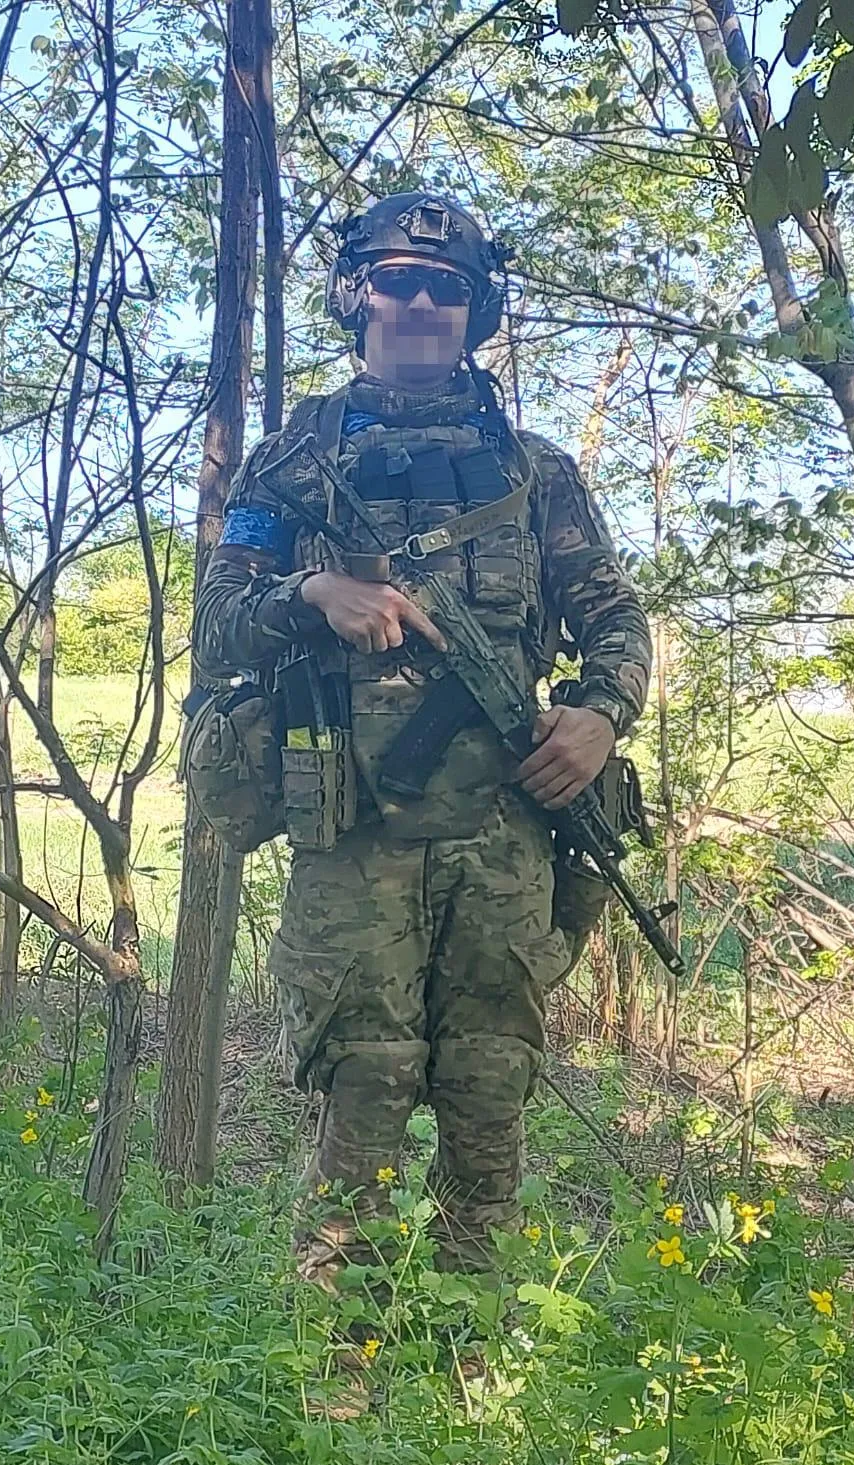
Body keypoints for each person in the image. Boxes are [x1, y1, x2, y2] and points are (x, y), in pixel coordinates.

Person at [194, 191, 651, 1303]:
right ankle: (339, 1369)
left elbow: (617, 620)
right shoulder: (292, 460)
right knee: (362, 1085)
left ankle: (466, 1358)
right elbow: (217, 623)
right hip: (352, 832)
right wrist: (314, 591)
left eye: (445, 287)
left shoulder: (534, 471)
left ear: (475, 307)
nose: (419, 303)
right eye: (396, 280)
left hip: (506, 834)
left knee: (492, 1090)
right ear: (358, 295)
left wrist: (598, 715)